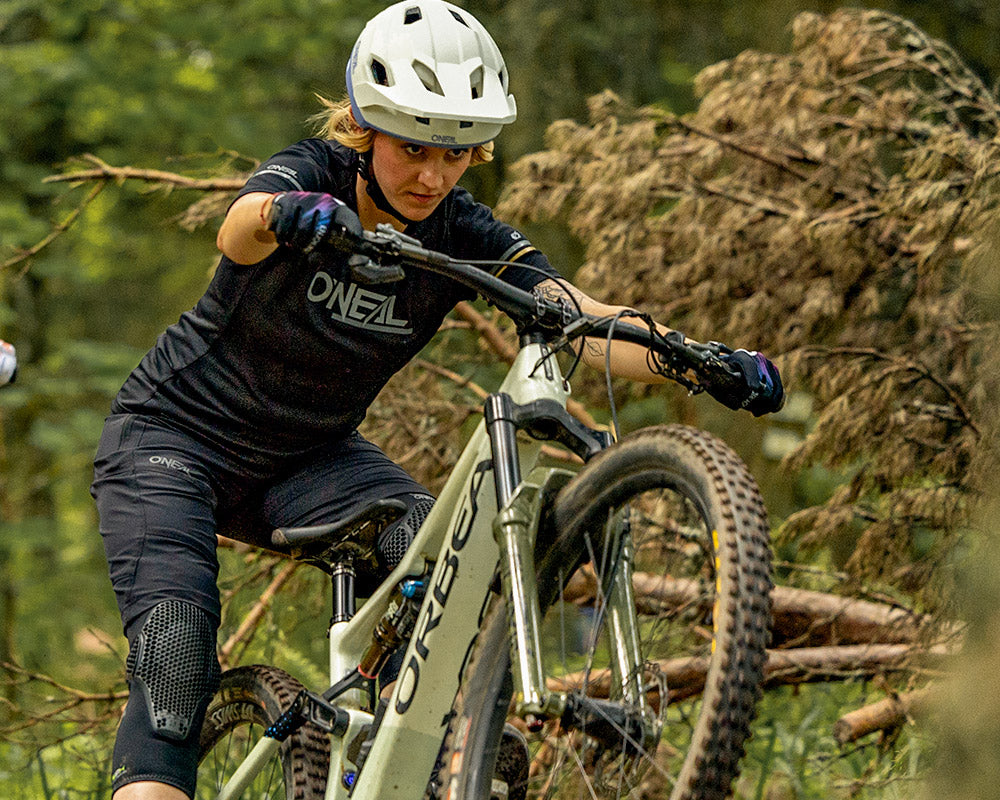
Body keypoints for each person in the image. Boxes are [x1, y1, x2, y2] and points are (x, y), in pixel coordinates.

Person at [91, 1, 783, 798]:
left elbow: (578, 319)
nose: (432, 175)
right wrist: (289, 216)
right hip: (173, 439)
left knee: (432, 546)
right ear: (366, 128)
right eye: (413, 148)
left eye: (455, 154)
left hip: (311, 459)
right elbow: (238, 228)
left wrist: (693, 359)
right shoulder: (316, 173)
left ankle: (404, 764)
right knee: (176, 653)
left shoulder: (462, 230)